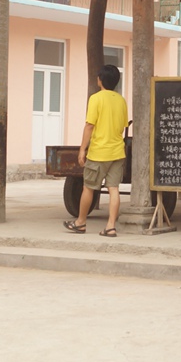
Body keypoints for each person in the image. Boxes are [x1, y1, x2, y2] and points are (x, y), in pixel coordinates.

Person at [65, 63, 128, 237]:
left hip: (99, 152)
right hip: (117, 152)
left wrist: (82, 150)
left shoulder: (96, 99)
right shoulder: (121, 100)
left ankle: (80, 222)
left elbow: (89, 126)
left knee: (89, 188)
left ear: (100, 80)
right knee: (113, 188)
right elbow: (122, 126)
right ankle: (110, 226)